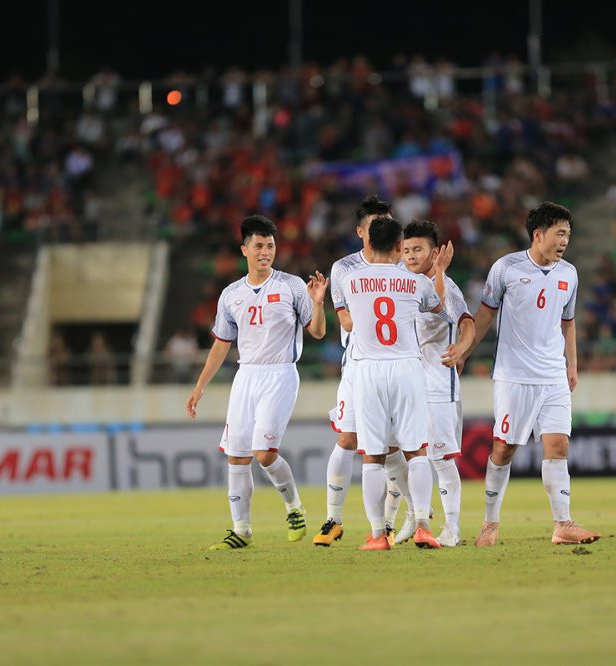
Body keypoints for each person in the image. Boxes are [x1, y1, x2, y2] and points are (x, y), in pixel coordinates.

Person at [186, 215, 328, 550]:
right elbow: (221, 344)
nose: (266, 252)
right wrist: (200, 386)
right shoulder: (231, 295)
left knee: (263, 453)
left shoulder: (292, 286)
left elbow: (318, 332)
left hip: (280, 374)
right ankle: (242, 531)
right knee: (237, 456)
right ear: (244, 250)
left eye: (270, 246)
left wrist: (318, 303)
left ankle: (294, 507)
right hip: (246, 375)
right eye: (259, 245)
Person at [463, 202, 600, 547]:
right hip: (514, 375)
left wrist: (571, 364)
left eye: (568, 234)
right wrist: (463, 352)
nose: (565, 240)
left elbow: (568, 322)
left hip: (553, 374)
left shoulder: (569, 273)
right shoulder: (506, 268)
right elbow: (484, 316)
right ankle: (490, 524)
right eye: (560, 233)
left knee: (558, 445)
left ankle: (563, 524)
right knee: (504, 448)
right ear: (538, 234)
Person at [341, 216, 453, 550]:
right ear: (400, 246)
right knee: (416, 451)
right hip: (406, 367)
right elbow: (438, 305)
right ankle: (422, 527)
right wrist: (440, 271)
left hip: (368, 370)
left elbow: (349, 319)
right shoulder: (413, 282)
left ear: (369, 243)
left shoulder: (350, 280)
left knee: (373, 457)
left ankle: (379, 535)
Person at [313, 195, 416, 546]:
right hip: (359, 365)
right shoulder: (345, 269)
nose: (381, 229)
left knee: (392, 447)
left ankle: (400, 518)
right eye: (374, 225)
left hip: (396, 364)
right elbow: (346, 321)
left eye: (386, 223)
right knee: (347, 438)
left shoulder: (403, 266)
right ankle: (334, 519)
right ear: (361, 232)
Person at [386, 220, 475, 546]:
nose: (411, 255)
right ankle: (415, 510)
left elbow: (467, 323)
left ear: (435, 253)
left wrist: (461, 348)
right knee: (390, 451)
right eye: (407, 250)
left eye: (418, 249)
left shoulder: (447, 288)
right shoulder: (399, 284)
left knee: (440, 457)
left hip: (437, 383)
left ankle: (452, 528)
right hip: (402, 383)